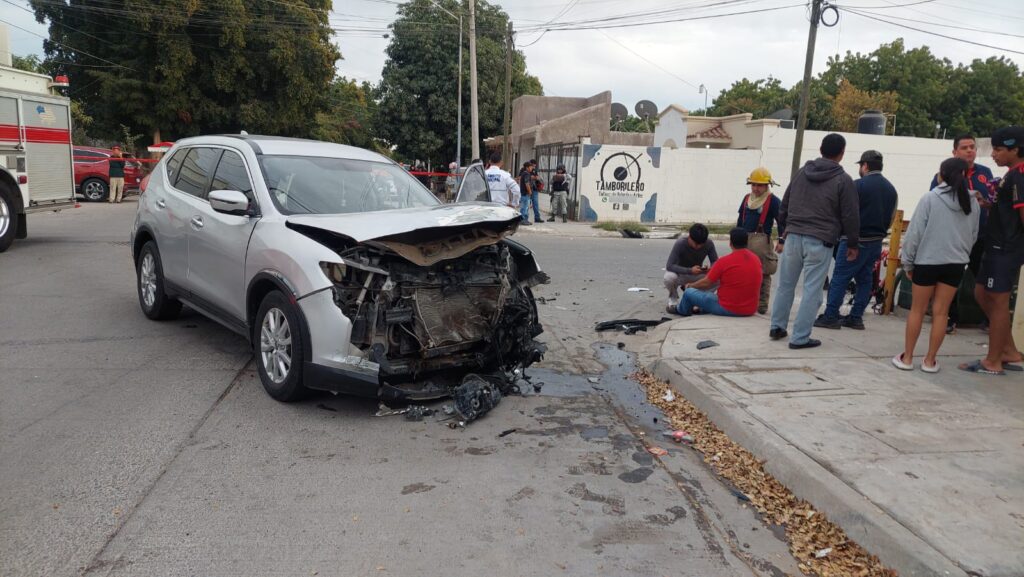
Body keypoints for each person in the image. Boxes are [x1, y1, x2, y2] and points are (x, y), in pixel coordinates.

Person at [769, 133, 859, 349]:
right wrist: (853, 243)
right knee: (812, 291)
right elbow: (850, 215)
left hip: (793, 236)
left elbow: (785, 205)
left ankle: (777, 326)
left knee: (785, 286)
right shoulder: (843, 180)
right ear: (842, 153)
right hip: (821, 240)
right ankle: (800, 338)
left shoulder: (802, 173)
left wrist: (784, 231)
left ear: (820, 149)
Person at [895, 158, 979, 373]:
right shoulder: (972, 202)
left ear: (941, 175)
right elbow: (973, 235)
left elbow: (914, 234)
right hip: (956, 263)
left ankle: (907, 358)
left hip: (927, 261)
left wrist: (908, 262)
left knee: (918, 310)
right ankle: (930, 361)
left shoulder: (930, 199)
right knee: (941, 313)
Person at [960, 126, 1024, 375]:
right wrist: (987, 204)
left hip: (1006, 248)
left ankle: (993, 361)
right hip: (995, 243)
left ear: (1015, 150)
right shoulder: (1011, 174)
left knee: (997, 302)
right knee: (980, 293)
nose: (993, 155)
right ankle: (1008, 350)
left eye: (998, 150)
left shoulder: (1020, 176)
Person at [815, 150, 898, 330]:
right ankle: (856, 317)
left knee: (840, 278)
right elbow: (892, 217)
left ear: (865, 166)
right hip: (876, 241)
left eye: (861, 165)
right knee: (865, 278)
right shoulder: (891, 189)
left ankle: (830, 316)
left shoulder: (856, 186)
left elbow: (843, 212)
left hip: (854, 240)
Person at [930, 135, 995, 334]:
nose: (969, 151)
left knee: (983, 280)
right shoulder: (943, 175)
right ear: (954, 152)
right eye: (964, 147)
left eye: (972, 147)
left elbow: (992, 199)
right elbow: (935, 204)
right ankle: (949, 317)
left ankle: (990, 319)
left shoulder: (985, 173)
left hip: (981, 237)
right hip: (954, 239)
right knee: (948, 280)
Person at [670, 228, 762, 317]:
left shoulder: (724, 261)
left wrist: (690, 286)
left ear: (730, 243)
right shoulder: (756, 259)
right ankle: (700, 309)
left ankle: (681, 310)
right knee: (711, 296)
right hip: (750, 309)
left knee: (689, 293)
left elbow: (707, 282)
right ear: (747, 242)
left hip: (728, 308)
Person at [736, 167, 781, 314]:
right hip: (744, 241)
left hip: (762, 242)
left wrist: (782, 241)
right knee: (744, 273)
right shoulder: (746, 199)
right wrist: (735, 239)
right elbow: (740, 220)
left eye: (759, 185)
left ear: (767, 185)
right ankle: (745, 301)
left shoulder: (773, 201)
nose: (755, 188)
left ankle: (761, 305)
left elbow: (782, 222)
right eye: (753, 184)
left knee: (763, 274)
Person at [663, 223, 718, 311]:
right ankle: (673, 299)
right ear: (689, 237)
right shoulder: (680, 243)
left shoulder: (709, 243)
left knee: (720, 277)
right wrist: (690, 270)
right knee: (668, 277)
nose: (698, 246)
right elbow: (670, 265)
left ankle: (699, 299)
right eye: (695, 244)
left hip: (698, 274)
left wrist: (711, 269)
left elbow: (715, 261)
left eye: (701, 244)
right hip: (681, 274)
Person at [518, 160, 535, 225]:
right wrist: (530, 192)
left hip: (524, 193)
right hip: (526, 193)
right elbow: (527, 184)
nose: (532, 168)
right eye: (530, 167)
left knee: (525, 207)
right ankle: (523, 220)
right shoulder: (526, 174)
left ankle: (525, 220)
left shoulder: (524, 174)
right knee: (525, 207)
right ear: (527, 168)